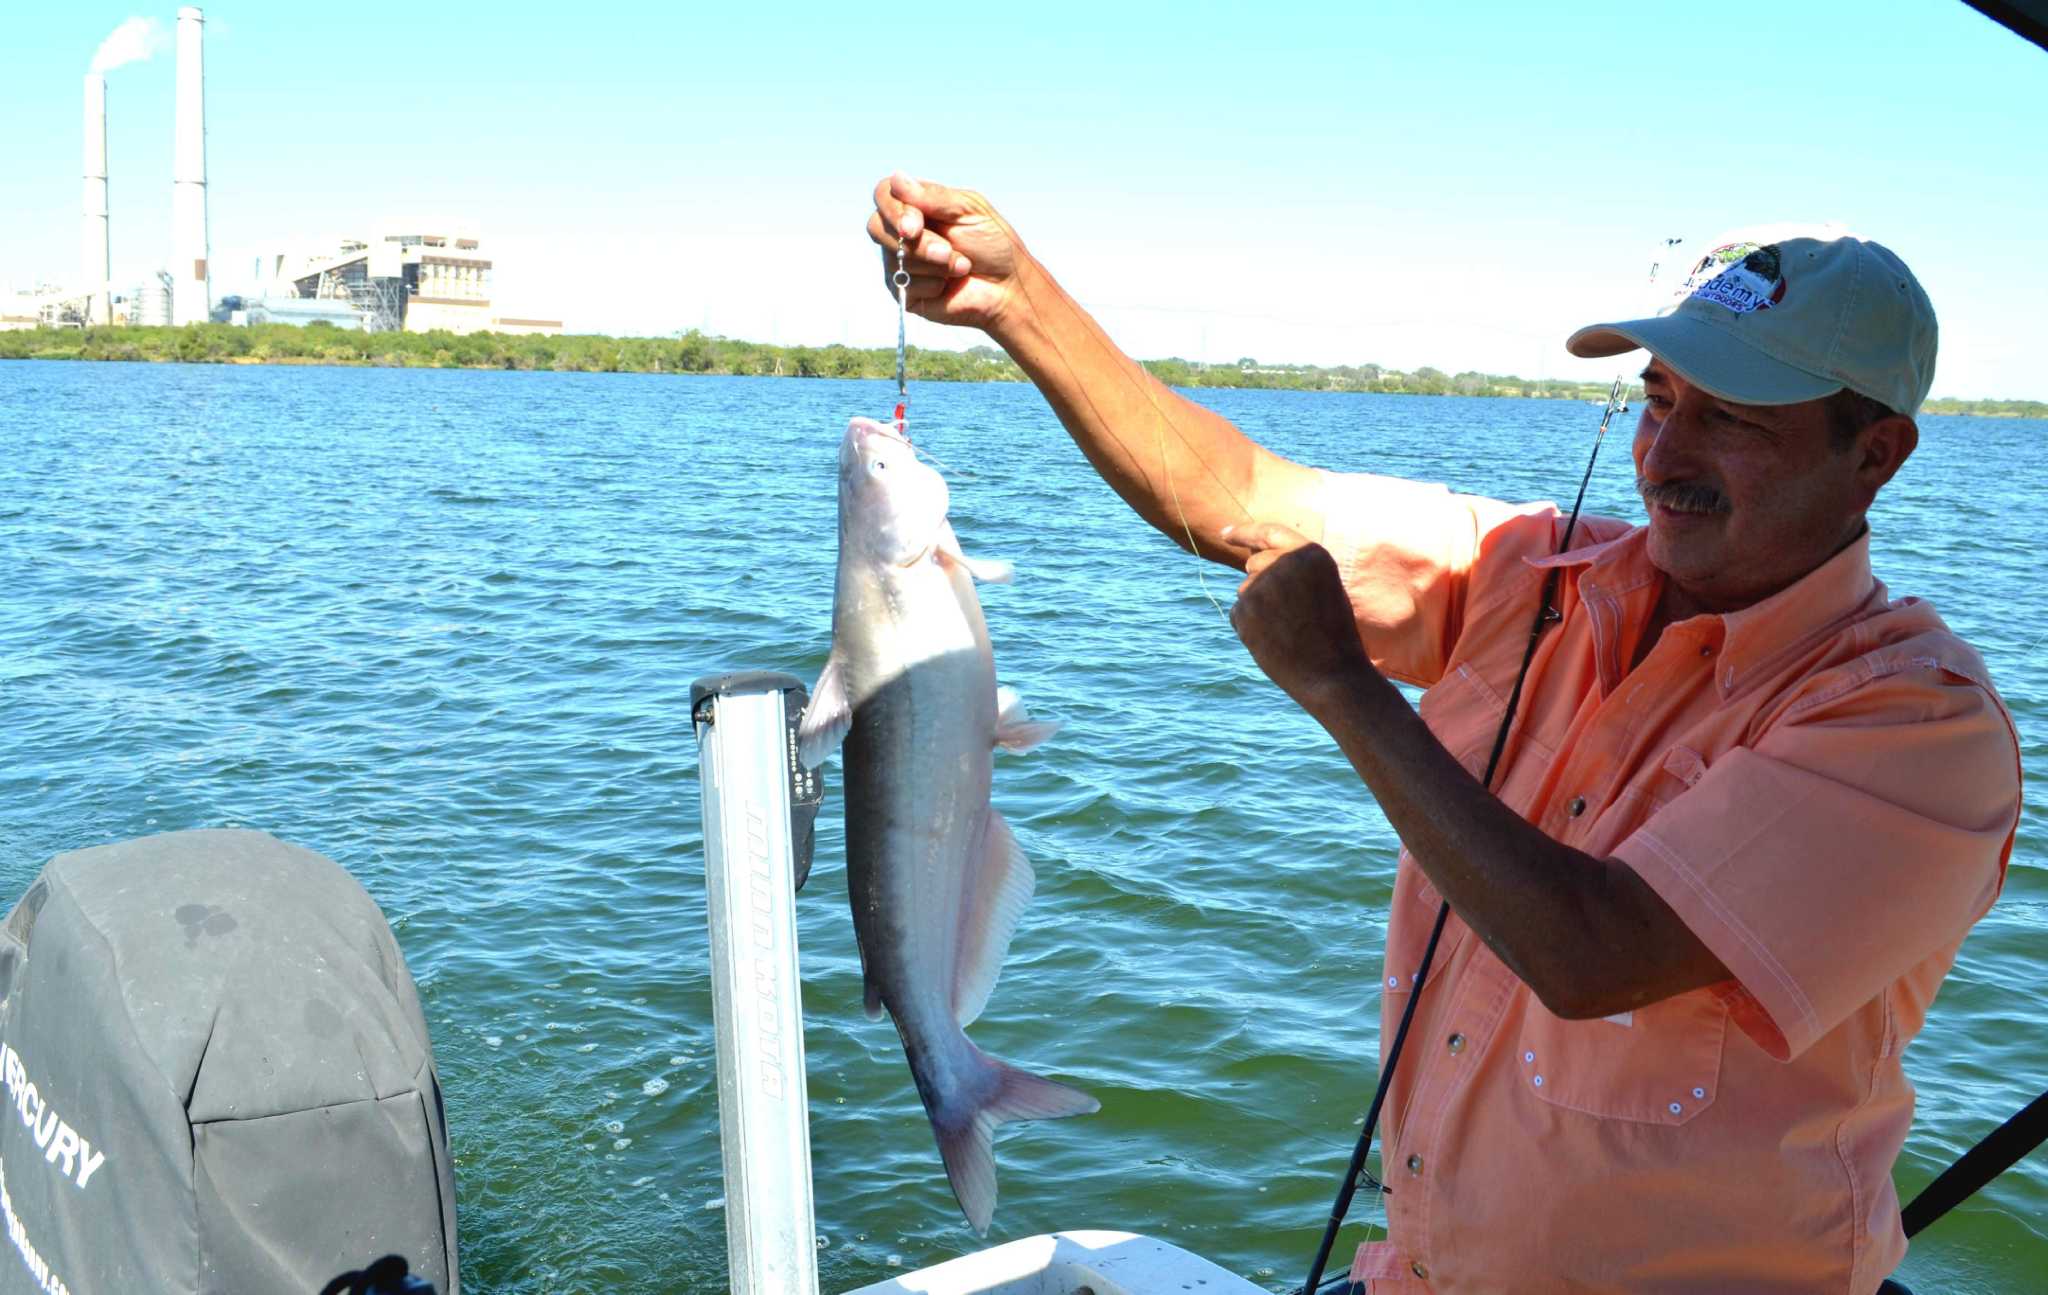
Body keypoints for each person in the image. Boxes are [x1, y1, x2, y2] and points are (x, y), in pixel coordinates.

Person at [866, 175, 2024, 1294]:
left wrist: (1344, 688)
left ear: (1872, 452)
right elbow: (1238, 500)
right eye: (1660, 398)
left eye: (1729, 418)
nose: (1665, 454)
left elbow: (1593, 951)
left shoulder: (1910, 723)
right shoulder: (1528, 569)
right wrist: (1013, 302)